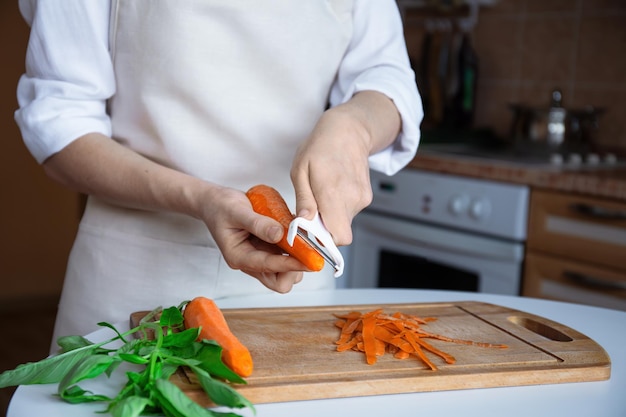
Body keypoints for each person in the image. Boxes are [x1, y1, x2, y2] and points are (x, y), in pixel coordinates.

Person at [15, 0, 423, 352]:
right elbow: (59, 124)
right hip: (130, 274)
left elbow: (387, 78)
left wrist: (355, 124)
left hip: (292, 267)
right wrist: (200, 199)